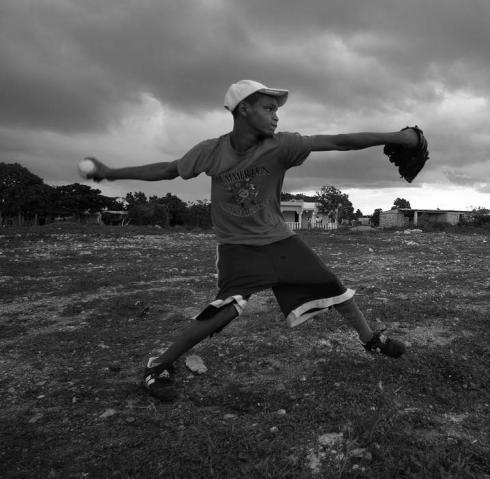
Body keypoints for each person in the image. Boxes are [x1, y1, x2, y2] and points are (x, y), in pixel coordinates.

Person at [85, 79, 419, 401]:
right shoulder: (211, 151)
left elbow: (338, 141)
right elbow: (169, 169)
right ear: (244, 109)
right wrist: (111, 173)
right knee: (224, 311)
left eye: (277, 109)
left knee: (332, 286)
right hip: (238, 247)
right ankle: (157, 366)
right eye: (268, 107)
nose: (276, 115)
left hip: (280, 240)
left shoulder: (281, 145)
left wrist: (400, 138)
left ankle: (370, 340)